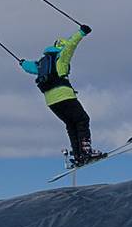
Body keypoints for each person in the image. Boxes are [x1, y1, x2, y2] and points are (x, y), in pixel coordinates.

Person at [19, 24, 105, 166]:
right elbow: (71, 45)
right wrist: (82, 32)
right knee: (82, 119)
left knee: (71, 124)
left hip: (51, 101)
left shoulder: (42, 64)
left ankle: (78, 155)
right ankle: (86, 151)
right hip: (64, 96)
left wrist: (22, 63)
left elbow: (29, 67)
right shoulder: (61, 58)